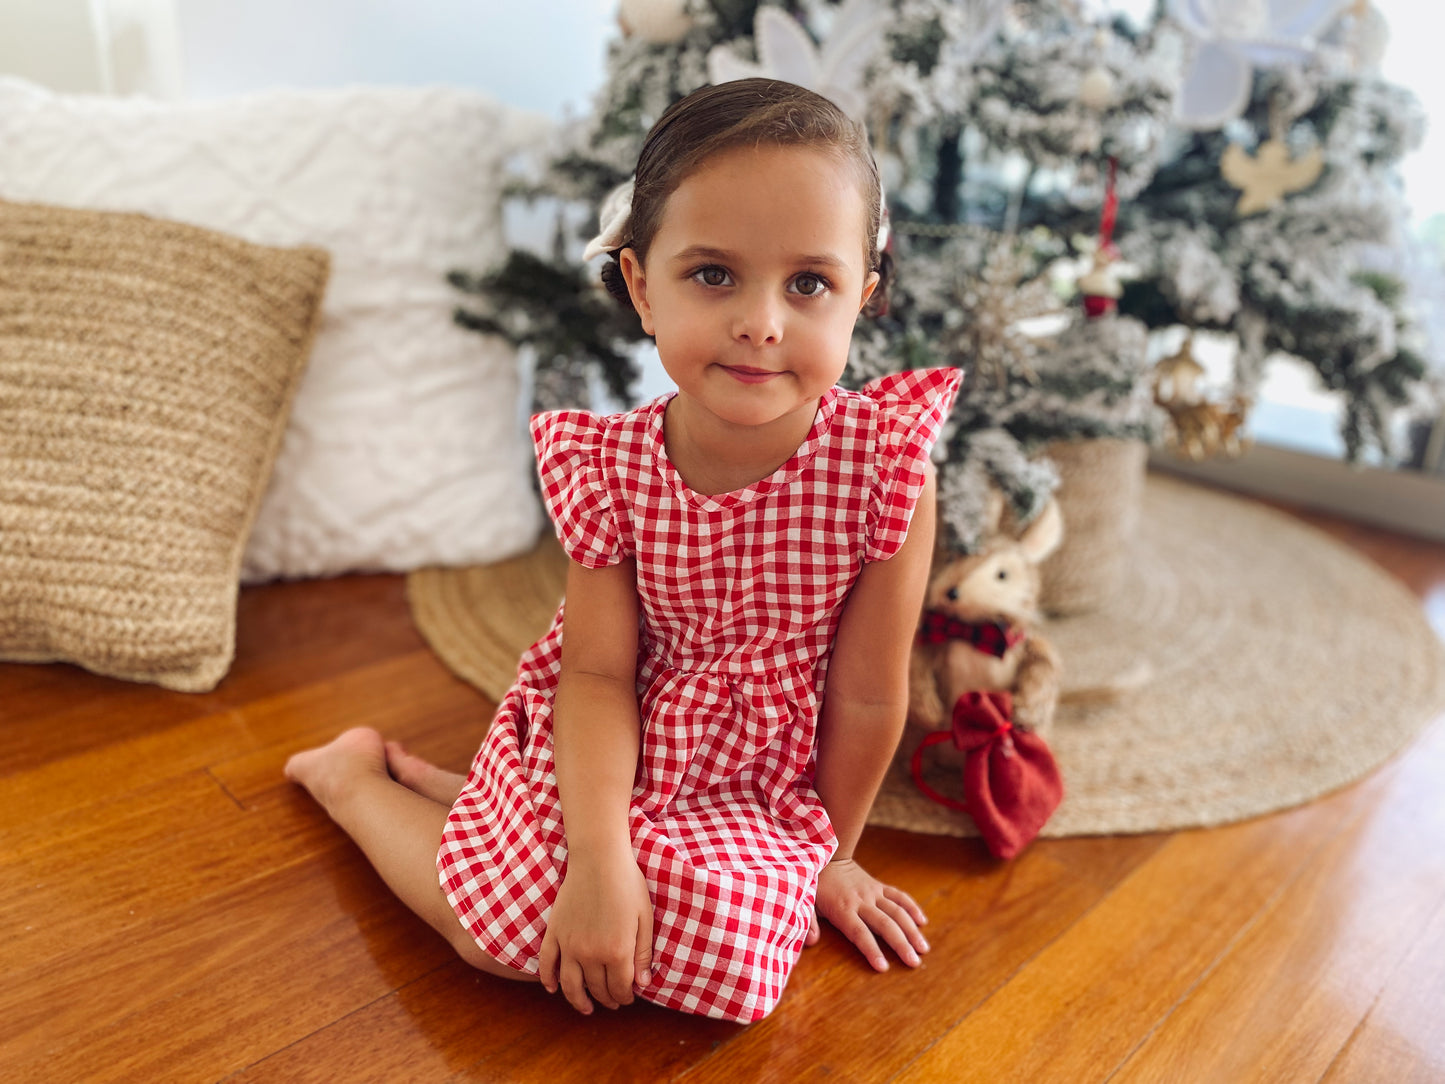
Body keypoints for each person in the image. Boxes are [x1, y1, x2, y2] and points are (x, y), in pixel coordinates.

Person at [285, 77, 963, 1024]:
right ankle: (352, 778)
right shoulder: (608, 466)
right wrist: (600, 864)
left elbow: (864, 693)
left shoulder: (887, 469)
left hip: (758, 780)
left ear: (863, 296)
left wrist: (826, 857)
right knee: (503, 937)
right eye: (713, 275)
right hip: (616, 735)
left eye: (808, 283)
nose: (762, 321)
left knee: (736, 965)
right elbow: (598, 679)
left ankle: (474, 809)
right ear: (643, 286)